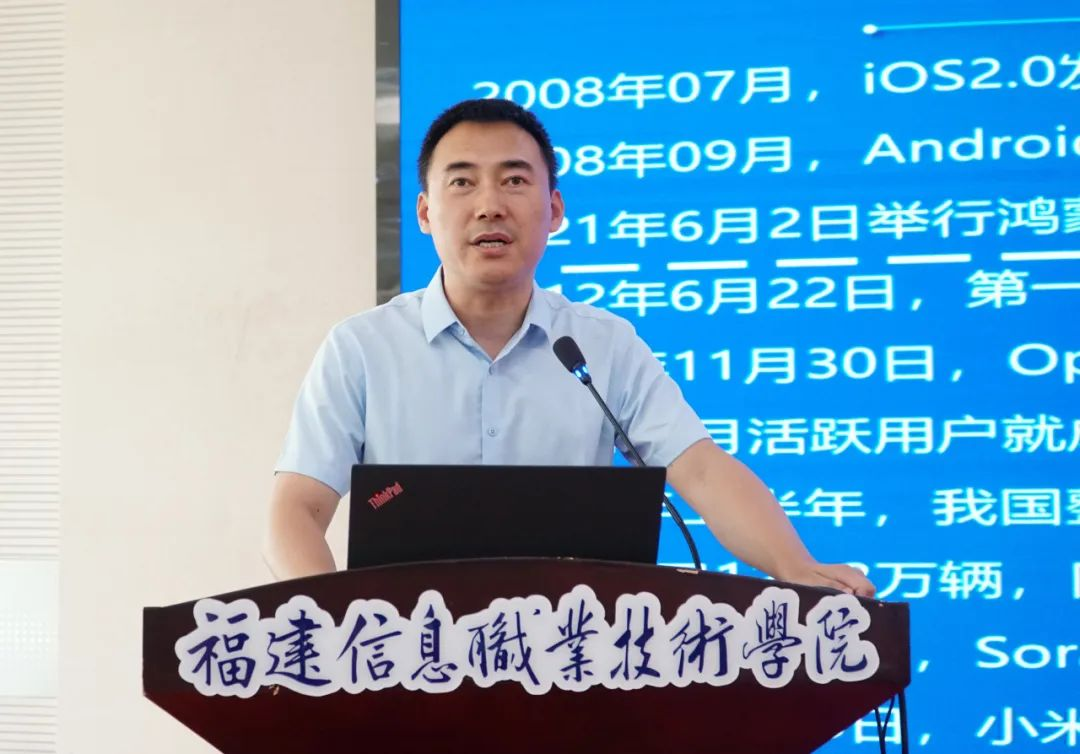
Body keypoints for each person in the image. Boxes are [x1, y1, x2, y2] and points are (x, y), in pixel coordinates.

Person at [264, 98, 875, 598]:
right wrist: (330, 623)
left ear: (554, 209)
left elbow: (701, 471)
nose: (489, 205)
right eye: (462, 182)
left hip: (571, 657)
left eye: (514, 180)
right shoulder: (362, 348)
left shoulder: (602, 345)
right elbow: (297, 508)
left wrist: (796, 567)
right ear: (425, 212)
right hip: (405, 659)